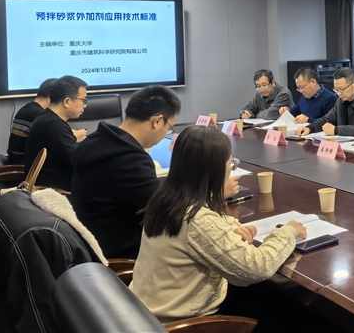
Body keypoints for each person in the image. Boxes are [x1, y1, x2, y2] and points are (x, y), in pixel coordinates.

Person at [130, 125, 307, 324]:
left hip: (147, 312)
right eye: (230, 162)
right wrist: (289, 232)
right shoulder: (197, 219)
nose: (231, 168)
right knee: (287, 311)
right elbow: (258, 268)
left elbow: (204, 229)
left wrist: (229, 227)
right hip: (184, 323)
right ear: (214, 169)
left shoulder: (166, 198)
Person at [70, 85, 182, 259]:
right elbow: (168, 212)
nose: (166, 133)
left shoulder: (97, 140)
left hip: (95, 240)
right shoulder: (130, 160)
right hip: (125, 254)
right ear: (157, 121)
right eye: (169, 128)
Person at [23, 76, 88, 191]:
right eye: (83, 100)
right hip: (55, 192)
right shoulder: (54, 125)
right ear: (67, 101)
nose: (85, 105)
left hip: (49, 187)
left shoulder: (45, 116)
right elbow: (78, 161)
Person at [296, 68, 354, 137]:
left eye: (342, 89)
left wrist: (336, 130)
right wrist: (310, 128)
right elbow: (327, 119)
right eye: (336, 89)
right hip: (348, 145)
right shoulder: (341, 99)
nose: (338, 93)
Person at [7, 78, 57, 165]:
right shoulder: (40, 115)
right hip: (24, 167)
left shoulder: (26, 109)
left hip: (15, 161)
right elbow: (56, 142)